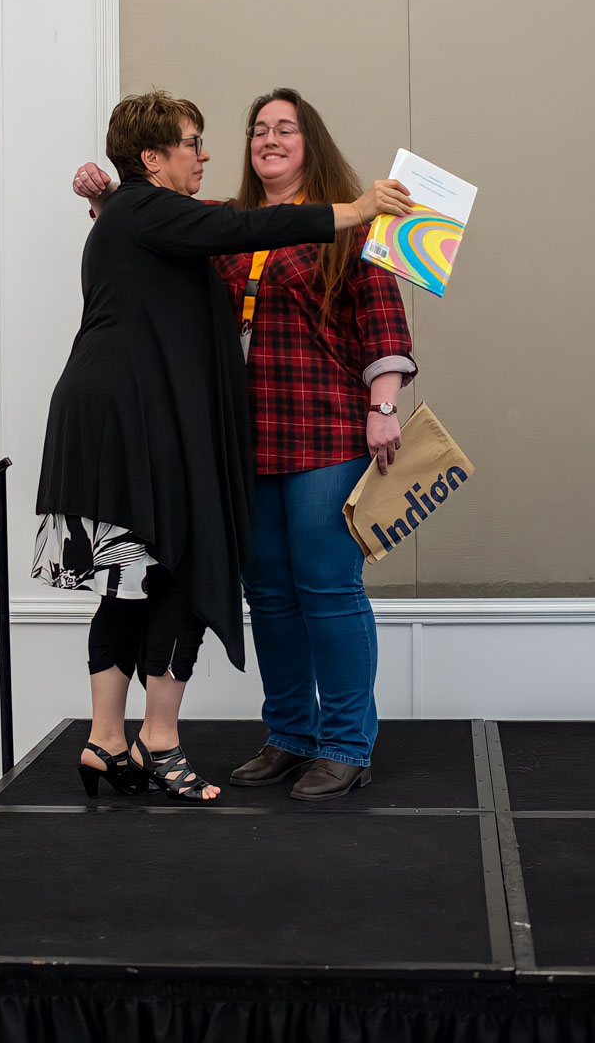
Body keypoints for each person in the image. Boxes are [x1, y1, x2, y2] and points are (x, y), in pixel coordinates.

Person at [40, 90, 415, 804]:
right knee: (268, 594)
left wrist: (383, 405)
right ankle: (290, 736)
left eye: (285, 129)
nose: (266, 138)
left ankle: (343, 744)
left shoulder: (354, 223)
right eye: (257, 129)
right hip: (243, 441)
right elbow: (154, 233)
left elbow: (383, 321)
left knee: (327, 589)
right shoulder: (219, 223)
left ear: (311, 142)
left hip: (325, 431)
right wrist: (108, 198)